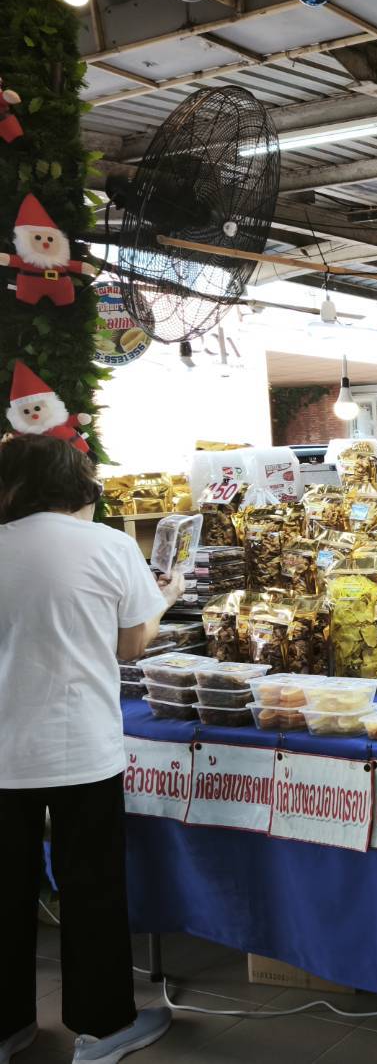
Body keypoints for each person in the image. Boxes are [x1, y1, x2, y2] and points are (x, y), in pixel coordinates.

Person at [0, 435, 184, 1064]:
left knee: (4, 890)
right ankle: (101, 1029)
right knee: (91, 887)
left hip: (4, 751)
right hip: (78, 746)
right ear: (76, 482)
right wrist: (167, 597)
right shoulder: (106, 544)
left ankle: (7, 1027)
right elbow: (130, 644)